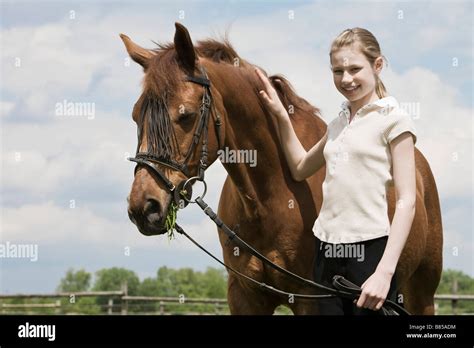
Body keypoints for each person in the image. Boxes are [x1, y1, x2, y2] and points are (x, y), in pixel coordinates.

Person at [255, 28, 417, 315]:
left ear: (377, 65)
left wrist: (384, 272)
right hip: (325, 253)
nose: (346, 79)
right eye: (337, 70)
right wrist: (281, 115)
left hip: (369, 254)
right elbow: (301, 167)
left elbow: (407, 201)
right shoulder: (338, 124)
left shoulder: (395, 120)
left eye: (355, 69)